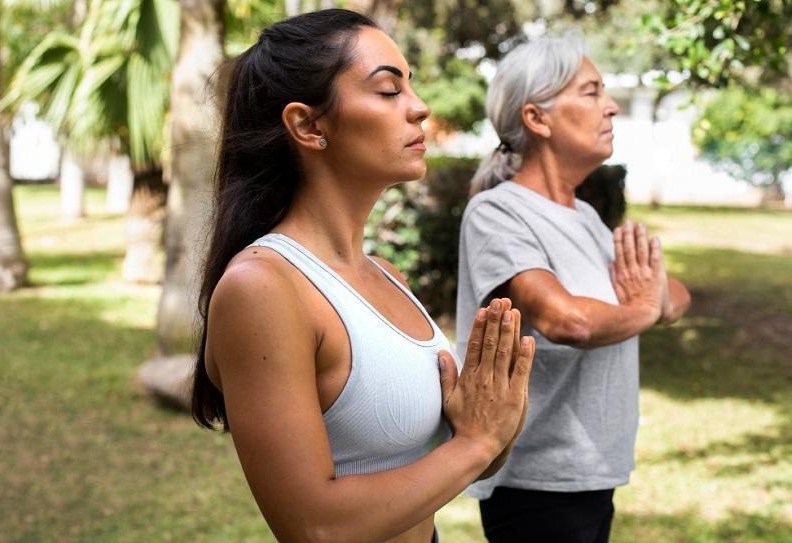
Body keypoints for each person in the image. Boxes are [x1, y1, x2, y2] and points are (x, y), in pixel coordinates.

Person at [190, 9, 536, 542]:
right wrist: (476, 445)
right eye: (387, 90)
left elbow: (451, 465)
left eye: (411, 89)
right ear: (308, 125)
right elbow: (314, 528)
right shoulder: (261, 288)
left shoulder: (385, 275)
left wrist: (489, 426)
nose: (419, 109)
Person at [456, 34, 691, 543]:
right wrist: (648, 308)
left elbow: (674, 293)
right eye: (590, 92)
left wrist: (649, 300)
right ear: (537, 118)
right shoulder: (498, 213)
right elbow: (569, 320)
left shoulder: (584, 217)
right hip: (536, 484)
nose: (609, 107)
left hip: (593, 473)